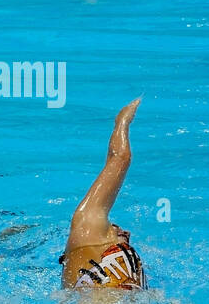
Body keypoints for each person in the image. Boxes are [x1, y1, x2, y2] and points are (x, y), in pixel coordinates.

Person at [60, 99, 146, 290]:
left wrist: (122, 120)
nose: (126, 232)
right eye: (118, 228)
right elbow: (120, 157)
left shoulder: (85, 233)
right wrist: (123, 120)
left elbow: (119, 159)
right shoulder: (87, 228)